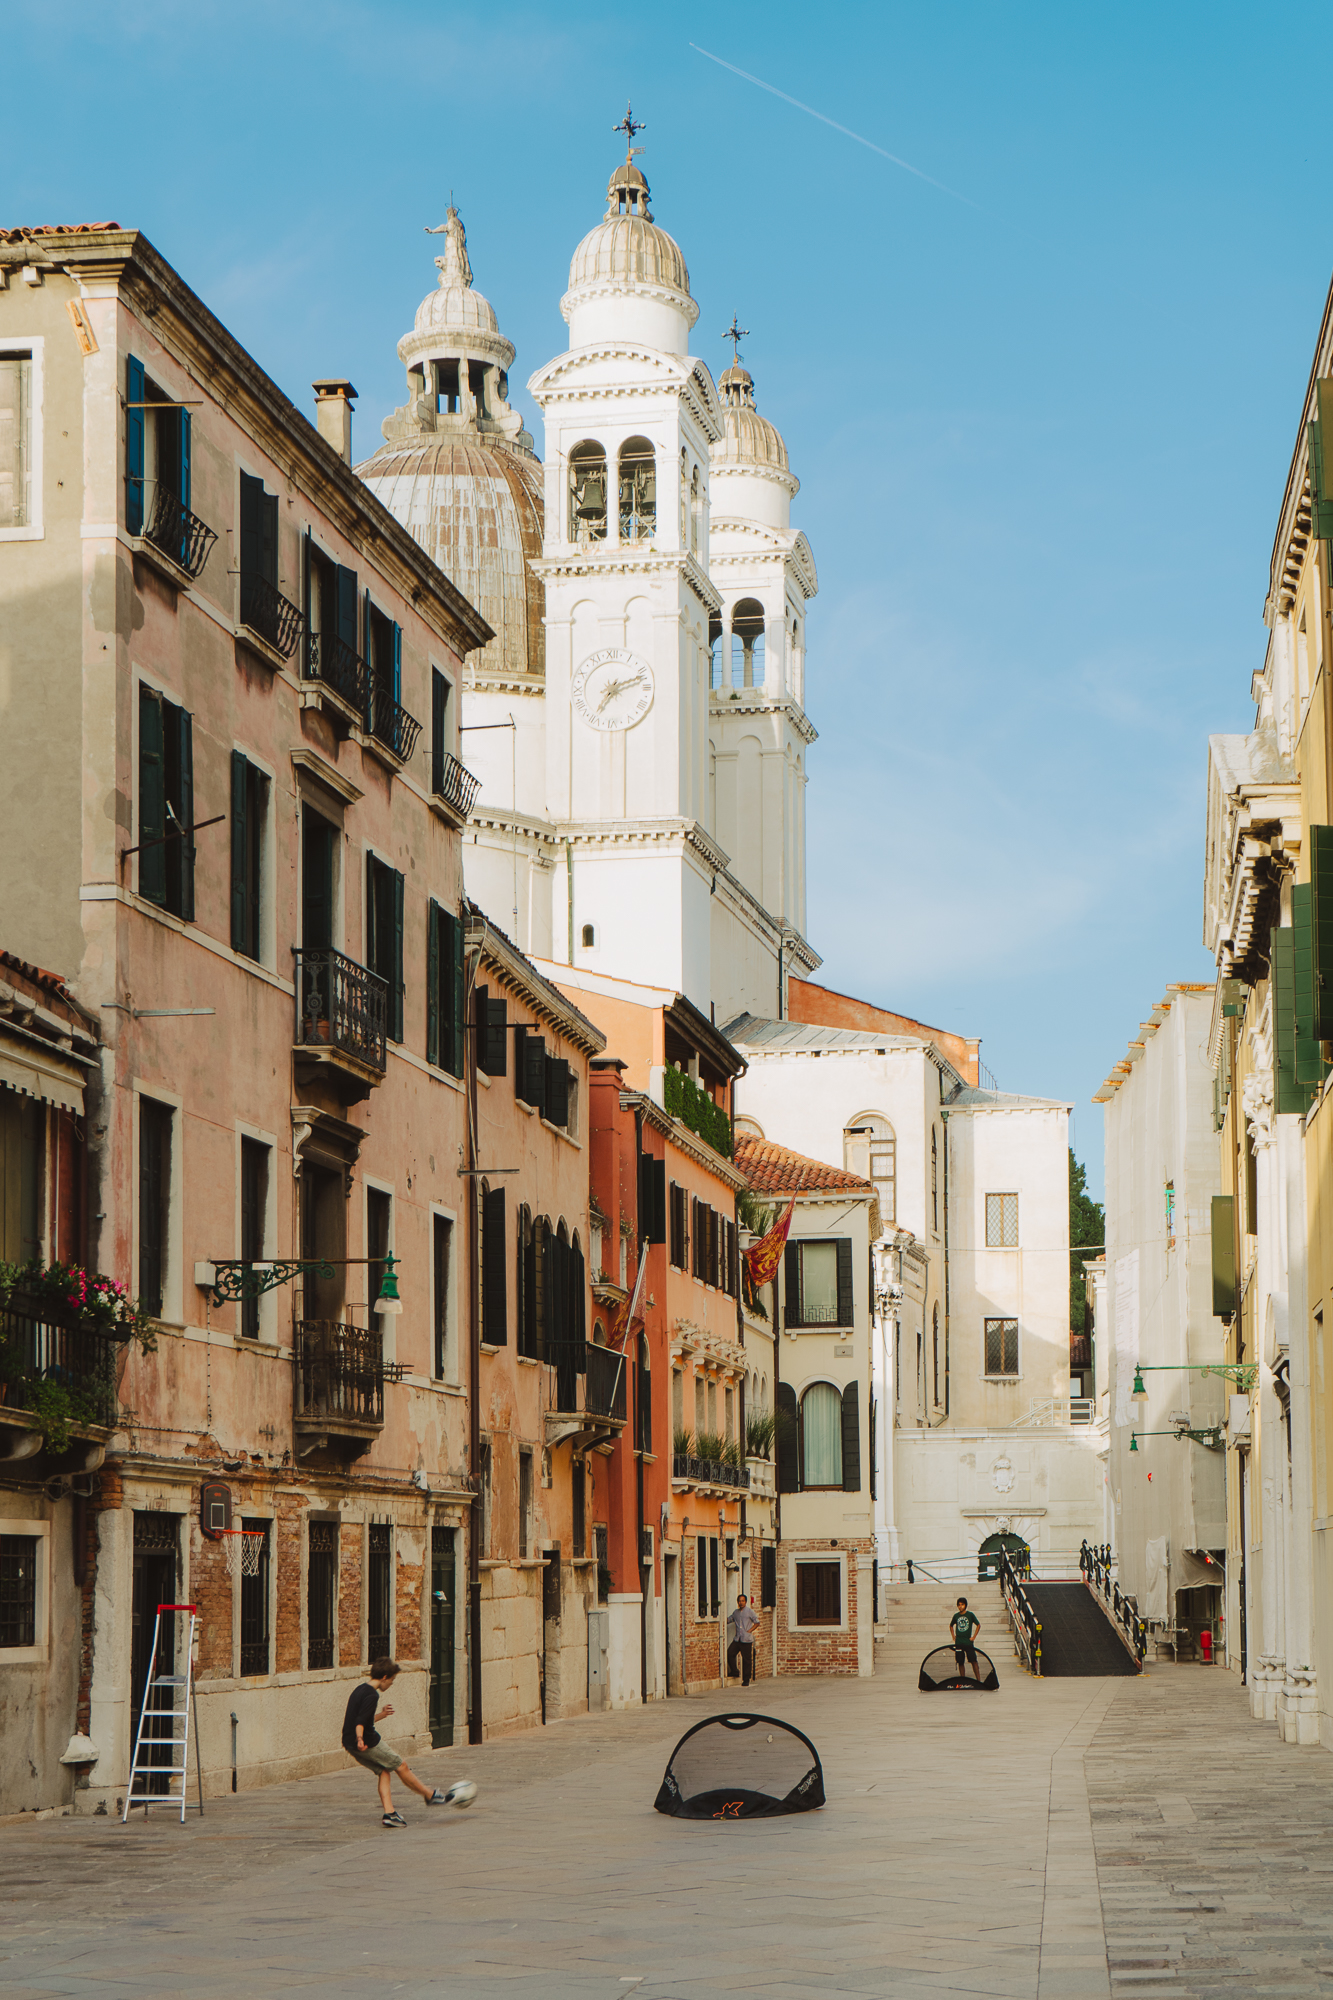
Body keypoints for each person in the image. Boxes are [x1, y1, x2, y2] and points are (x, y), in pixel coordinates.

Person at [343, 1657, 448, 1826]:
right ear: (384, 1677)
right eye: (391, 1680)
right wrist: (361, 1739)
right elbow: (360, 1722)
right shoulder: (372, 1695)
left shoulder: (360, 1690)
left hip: (349, 1743)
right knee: (401, 1765)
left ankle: (389, 1813)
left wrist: (381, 1715)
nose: (391, 1684)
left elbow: (361, 1719)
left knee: (384, 1771)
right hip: (368, 1742)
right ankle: (430, 1795)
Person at [727, 1592, 760, 1686]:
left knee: (747, 1660)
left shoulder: (750, 1611)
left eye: (742, 1601)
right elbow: (730, 1619)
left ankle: (746, 1679)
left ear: (745, 1602)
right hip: (737, 1639)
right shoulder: (736, 1612)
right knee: (730, 1653)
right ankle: (735, 1671)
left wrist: (750, 1630)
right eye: (739, 1601)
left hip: (746, 1639)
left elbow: (757, 1622)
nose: (741, 1603)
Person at [950, 1597, 982, 1682]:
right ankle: (962, 1679)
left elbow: (978, 1624)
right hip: (959, 1642)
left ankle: (978, 1679)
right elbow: (951, 1625)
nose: (960, 1606)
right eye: (959, 1605)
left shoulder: (970, 1615)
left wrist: (974, 1637)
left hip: (968, 1642)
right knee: (960, 1661)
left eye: (962, 1604)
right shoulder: (956, 1616)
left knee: (973, 1661)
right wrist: (953, 1636)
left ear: (965, 1605)